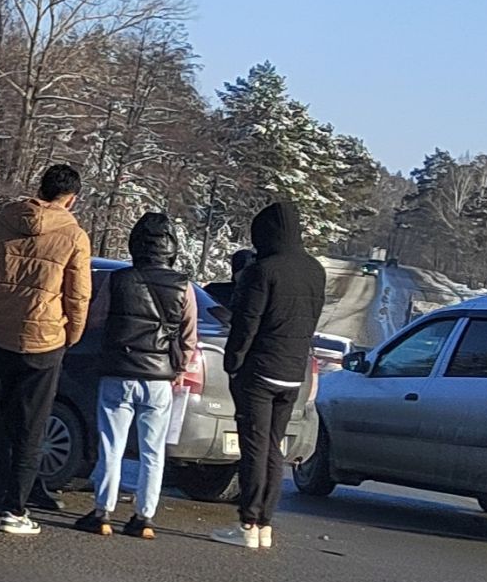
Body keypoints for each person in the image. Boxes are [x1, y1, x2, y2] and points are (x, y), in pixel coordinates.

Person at [0, 162, 93, 535]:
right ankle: (13, 510)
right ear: (71, 199)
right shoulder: (74, 235)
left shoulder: (4, 221)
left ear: (41, 188)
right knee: (30, 429)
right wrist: (71, 334)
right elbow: (78, 296)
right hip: (45, 341)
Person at [212, 200, 324, 550]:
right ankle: (264, 524)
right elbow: (312, 320)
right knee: (274, 447)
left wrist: (234, 363)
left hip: (260, 370)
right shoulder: (315, 270)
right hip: (293, 372)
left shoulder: (262, 271)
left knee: (254, 447)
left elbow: (246, 323)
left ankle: (247, 522)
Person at [78, 211, 194, 540]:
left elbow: (95, 319)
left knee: (111, 446)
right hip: (159, 378)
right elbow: (189, 336)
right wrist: (180, 369)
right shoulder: (183, 285)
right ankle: (144, 517)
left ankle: (102, 512)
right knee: (152, 452)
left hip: (118, 372)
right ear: (171, 247)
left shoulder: (119, 280)